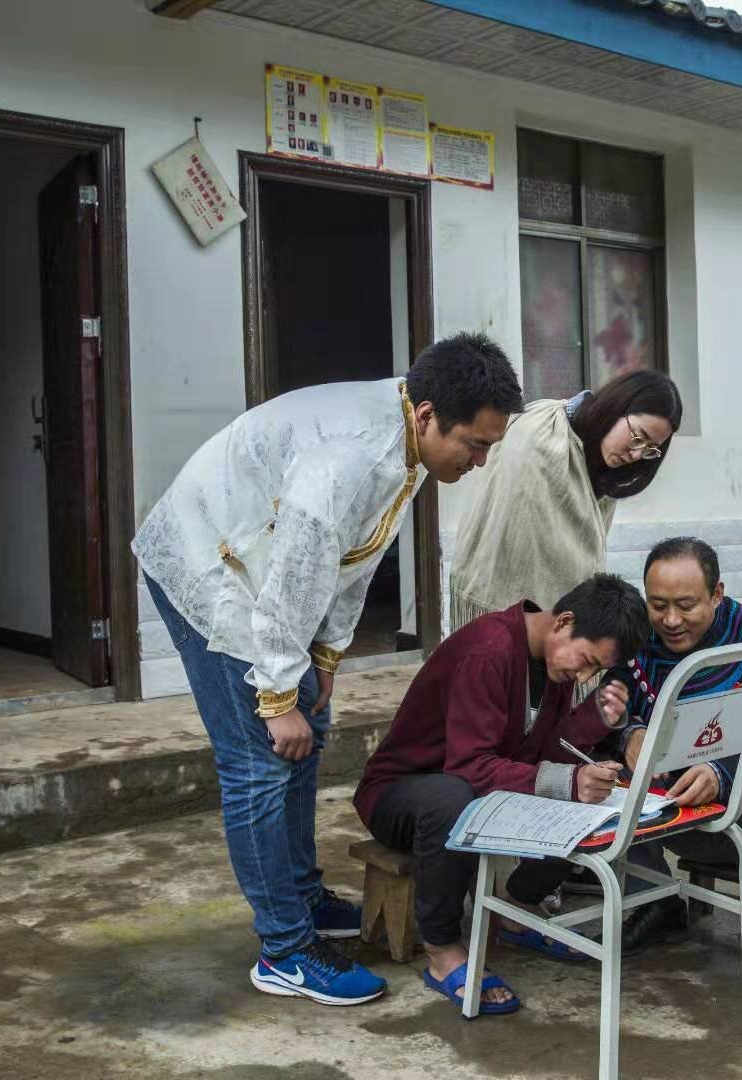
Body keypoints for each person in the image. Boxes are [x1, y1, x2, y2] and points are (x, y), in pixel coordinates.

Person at [133, 332, 523, 1008]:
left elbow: (351, 560)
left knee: (308, 732)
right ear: (429, 415)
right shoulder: (346, 460)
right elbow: (291, 578)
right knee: (259, 759)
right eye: (476, 445)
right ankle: (283, 950)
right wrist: (278, 693)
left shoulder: (403, 440)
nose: (481, 461)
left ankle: (303, 898)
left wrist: (323, 662)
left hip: (257, 557)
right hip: (207, 561)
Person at [354, 574, 649, 1015]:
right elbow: (470, 766)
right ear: (563, 621)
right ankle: (441, 950)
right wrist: (567, 781)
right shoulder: (489, 650)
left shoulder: (554, 661)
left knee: (592, 799)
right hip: (401, 794)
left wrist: (595, 721)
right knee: (455, 798)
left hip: (467, 788)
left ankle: (516, 907)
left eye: (595, 671)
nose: (584, 675)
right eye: (586, 661)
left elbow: (537, 754)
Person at [615, 537, 742, 998]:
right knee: (608, 778)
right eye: (658, 604)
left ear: (717, 594)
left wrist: (722, 771)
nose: (670, 620)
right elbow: (611, 706)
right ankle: (659, 901)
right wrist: (628, 733)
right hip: (666, 807)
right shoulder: (635, 641)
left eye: (686, 605)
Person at [447, 369, 683, 630]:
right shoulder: (542, 433)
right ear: (617, 406)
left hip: (559, 623)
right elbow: (517, 536)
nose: (636, 453)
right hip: (496, 607)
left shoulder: (603, 465)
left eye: (650, 450)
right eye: (638, 436)